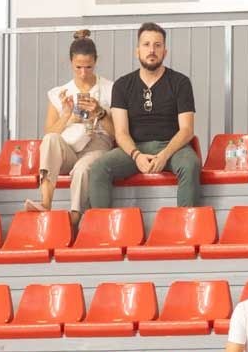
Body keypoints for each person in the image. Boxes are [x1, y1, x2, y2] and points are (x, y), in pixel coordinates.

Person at [87, 22, 201, 210]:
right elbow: (121, 132)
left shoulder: (180, 82)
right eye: (146, 45)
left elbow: (187, 130)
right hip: (135, 147)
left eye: (157, 45)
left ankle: (185, 224)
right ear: (137, 51)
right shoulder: (122, 85)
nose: (152, 50)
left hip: (172, 148)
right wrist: (136, 155)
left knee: (191, 164)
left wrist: (164, 155)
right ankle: (104, 225)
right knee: (99, 168)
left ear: (165, 51)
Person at [25, 30, 115, 226]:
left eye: (88, 67)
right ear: (70, 62)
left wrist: (99, 112)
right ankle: (46, 202)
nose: (83, 73)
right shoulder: (59, 92)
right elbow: (50, 135)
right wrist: (67, 115)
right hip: (70, 146)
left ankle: (75, 217)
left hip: (97, 145)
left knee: (82, 169)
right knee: (50, 139)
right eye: (78, 67)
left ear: (96, 61)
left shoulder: (110, 89)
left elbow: (118, 134)